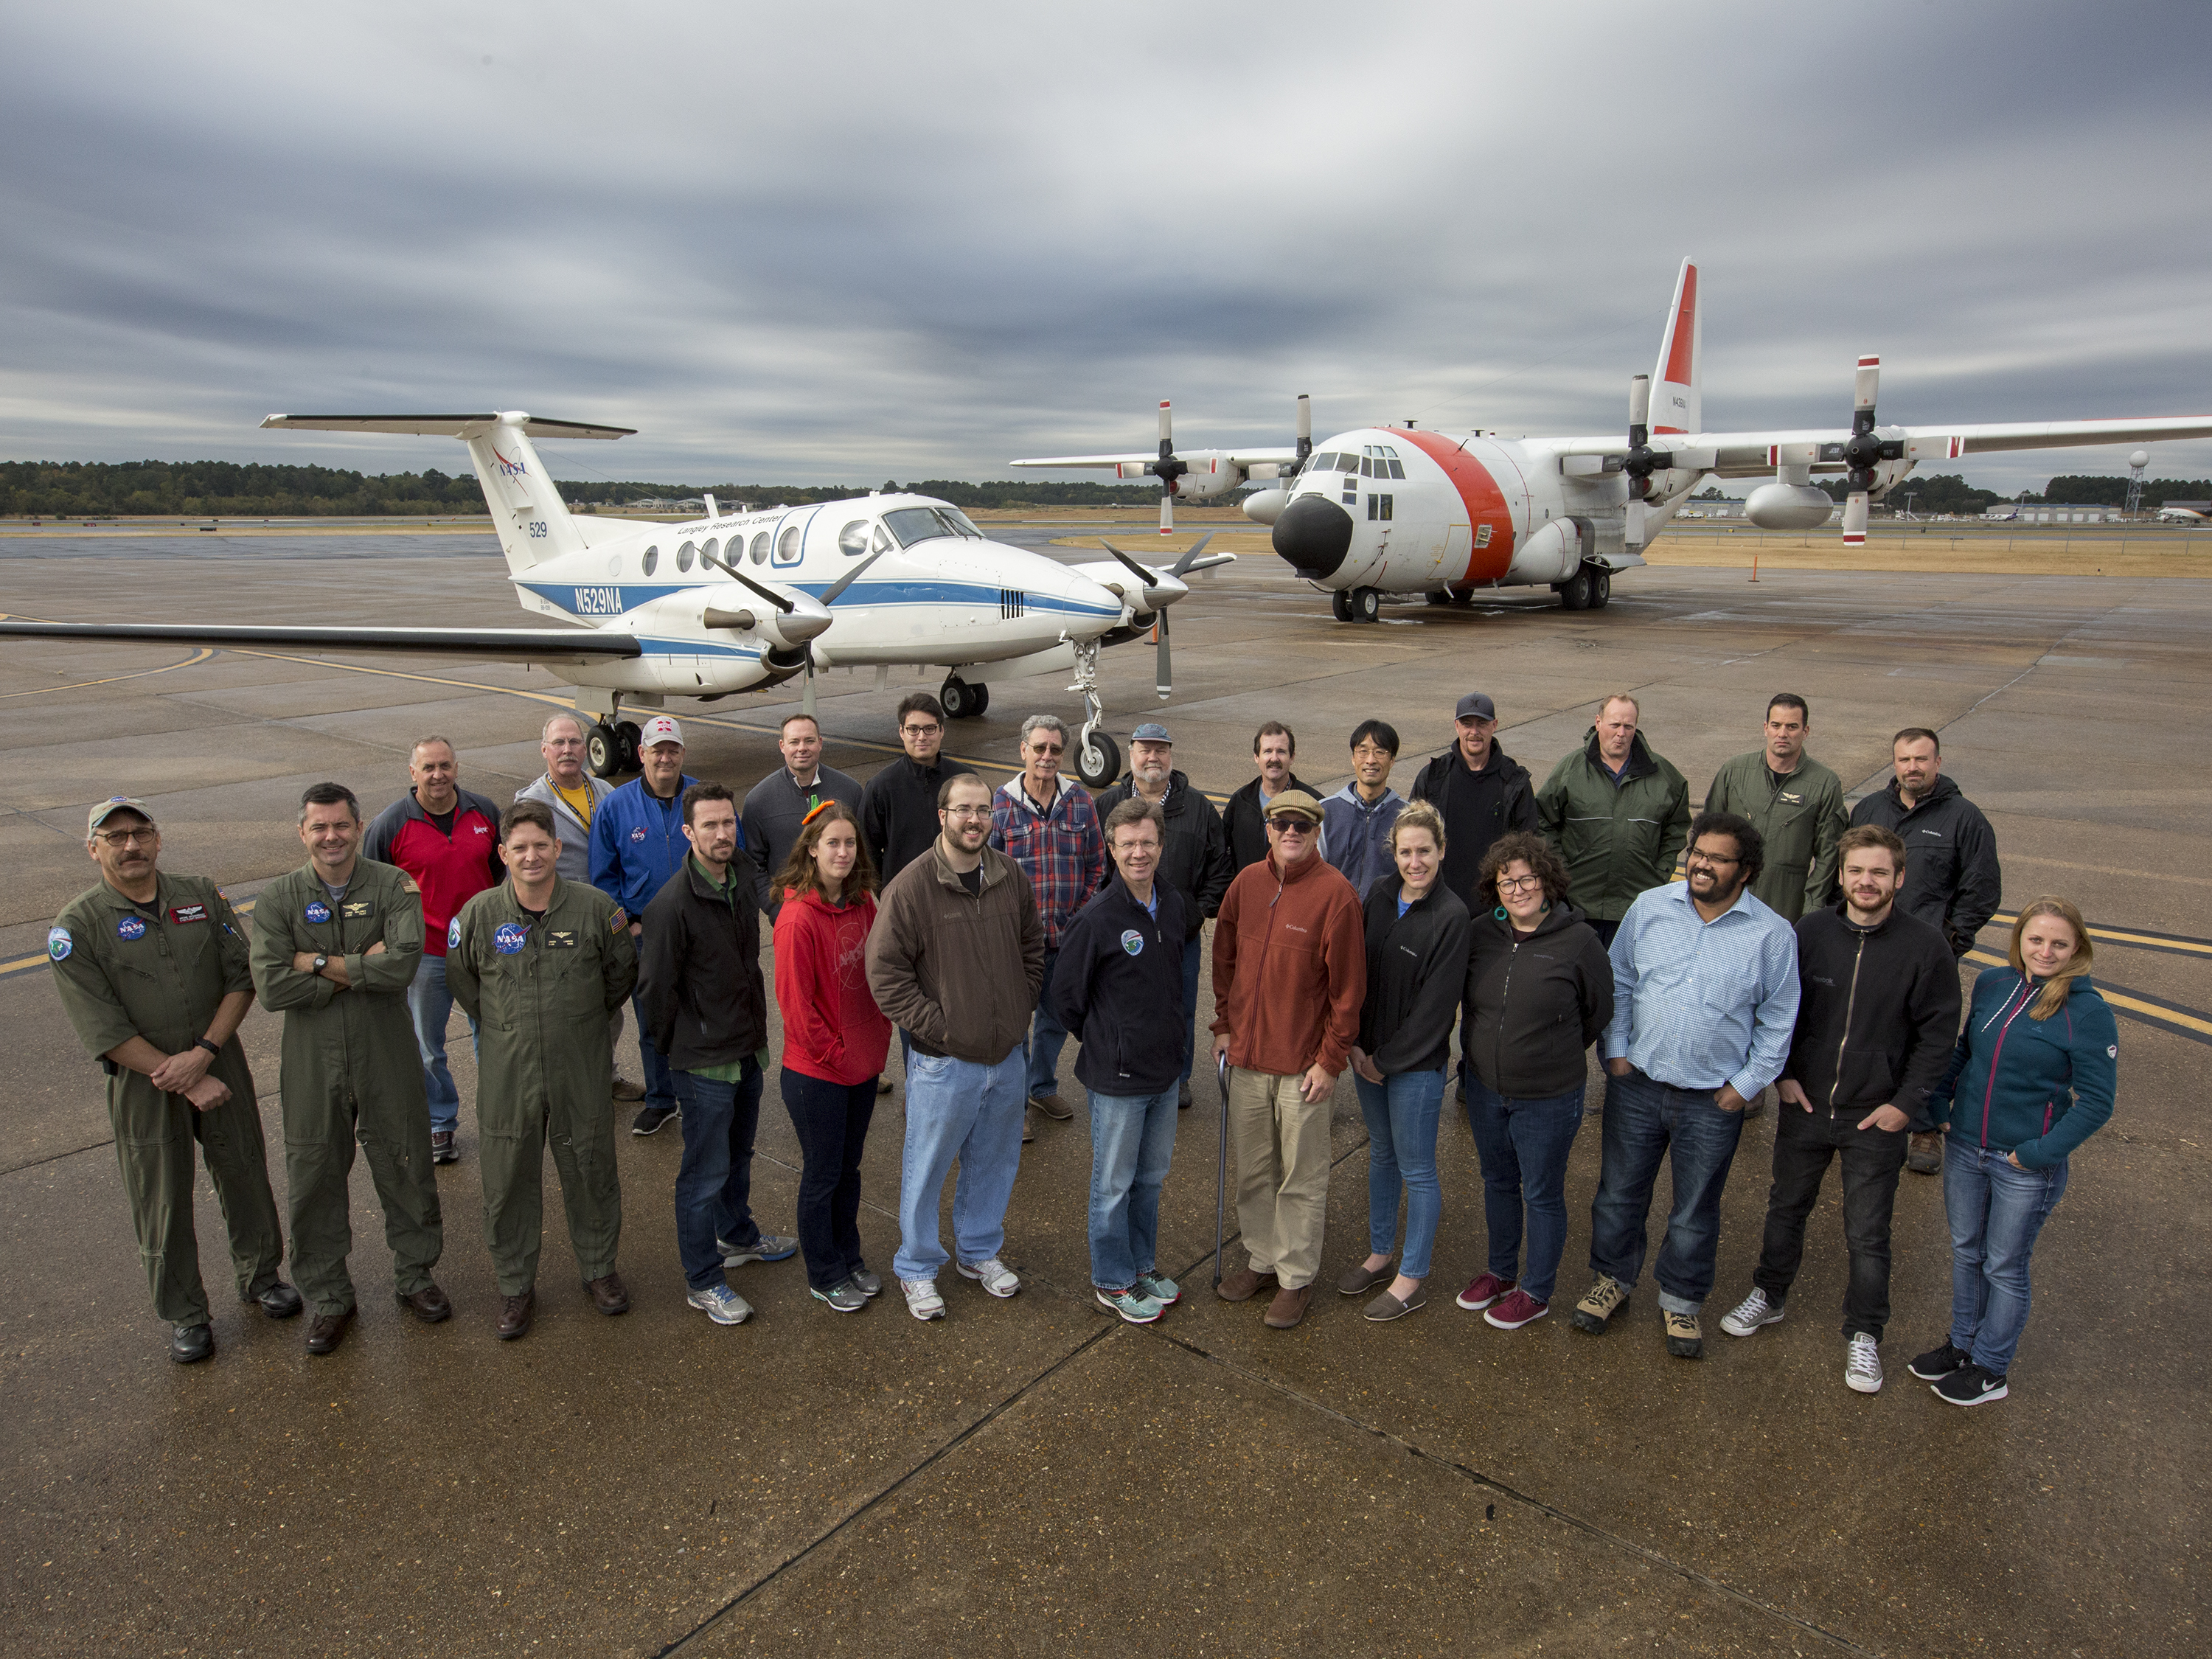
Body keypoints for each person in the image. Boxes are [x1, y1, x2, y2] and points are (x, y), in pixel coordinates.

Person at [49, 796, 297, 1363]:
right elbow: (101, 1026)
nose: (130, 845)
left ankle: (262, 1277)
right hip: (144, 1082)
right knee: (160, 1197)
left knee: (245, 1171)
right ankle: (186, 1313)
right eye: (114, 837)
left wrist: (206, 1052)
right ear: (94, 849)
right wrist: (183, 1075)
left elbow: (242, 976)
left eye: (140, 833)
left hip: (218, 1058)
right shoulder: (77, 927)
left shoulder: (202, 896)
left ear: (158, 839)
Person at [1717, 826, 1962, 1394]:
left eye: (1878, 872)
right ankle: (1770, 1294)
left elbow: (1938, 1038)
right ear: (1842, 875)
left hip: (1875, 1116)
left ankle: (1865, 1333)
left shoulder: (1927, 948)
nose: (1866, 881)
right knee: (1785, 1208)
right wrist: (1784, 1075)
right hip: (1806, 1104)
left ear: (1899, 878)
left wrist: (1906, 1106)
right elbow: (1782, 1011)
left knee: (1868, 1230)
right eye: (1856, 871)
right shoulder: (1810, 932)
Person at [1572, 810, 1799, 1360]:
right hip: (1638, 1084)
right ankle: (1612, 1281)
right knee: (1619, 1194)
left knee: (1695, 1208)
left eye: (1717, 858)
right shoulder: (1651, 908)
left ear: (1745, 871)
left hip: (1712, 1099)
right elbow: (1619, 979)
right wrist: (1617, 1052)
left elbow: (1779, 1018)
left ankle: (1680, 1299)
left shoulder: (1771, 934)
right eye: (1698, 852)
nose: (1701, 863)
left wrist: (1743, 1088)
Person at [251, 782, 448, 1355]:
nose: (331, 837)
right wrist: (365, 963)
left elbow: (403, 966)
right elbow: (270, 985)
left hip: (385, 1046)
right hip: (312, 1056)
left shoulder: (392, 885)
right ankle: (331, 1296)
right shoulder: (279, 898)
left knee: (406, 1160)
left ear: (359, 827)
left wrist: (311, 961)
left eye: (341, 825)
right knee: (313, 1170)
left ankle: (416, 1275)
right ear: (303, 833)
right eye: (319, 827)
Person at [1906, 898, 2116, 1408]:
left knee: (2004, 1266)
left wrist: (2040, 1153)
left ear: (2077, 949)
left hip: (2023, 1166)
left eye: (2059, 943)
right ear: (2020, 940)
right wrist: (1937, 1102)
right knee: (1966, 1252)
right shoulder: (1993, 985)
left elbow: (2097, 1102)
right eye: (2036, 940)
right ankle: (1962, 1345)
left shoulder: (2087, 1013)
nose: (2045, 951)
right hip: (1965, 1148)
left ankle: (1991, 1367)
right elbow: (1965, 1052)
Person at [447, 801, 638, 1340]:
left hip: (580, 1064)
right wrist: (511, 1031)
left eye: (541, 845)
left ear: (558, 848)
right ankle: (515, 1285)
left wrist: (573, 1022)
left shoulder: (597, 910)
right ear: (503, 854)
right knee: (507, 1177)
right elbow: (466, 986)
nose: (532, 856)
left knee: (592, 1168)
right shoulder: (479, 916)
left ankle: (599, 1270)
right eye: (519, 848)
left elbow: (619, 974)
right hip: (509, 1070)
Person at [868, 772, 1046, 1321]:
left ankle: (978, 1252)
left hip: (1007, 1057)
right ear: (942, 817)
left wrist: (1020, 1006)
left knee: (995, 1162)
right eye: (964, 810)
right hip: (944, 1063)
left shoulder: (1009, 876)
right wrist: (941, 1027)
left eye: (984, 810)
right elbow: (885, 974)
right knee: (927, 1167)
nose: (975, 820)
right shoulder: (912, 886)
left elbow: (1032, 946)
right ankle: (918, 1267)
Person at [639, 782, 797, 1327]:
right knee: (702, 1175)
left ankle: (738, 1236)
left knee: (738, 1157)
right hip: (703, 1062)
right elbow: (655, 995)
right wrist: (681, 1050)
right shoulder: (671, 905)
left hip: (747, 1049)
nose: (722, 833)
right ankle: (702, 1279)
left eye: (728, 823)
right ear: (688, 832)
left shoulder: (740, 881)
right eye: (709, 825)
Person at [1210, 789, 1366, 1331]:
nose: (1291, 832)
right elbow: (1224, 955)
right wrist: (1223, 1024)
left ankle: (1295, 1277)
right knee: (1254, 1172)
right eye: (1282, 823)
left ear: (1317, 831)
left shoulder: (1337, 895)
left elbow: (1348, 993)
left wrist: (1330, 1061)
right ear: (1269, 829)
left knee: (1301, 1177)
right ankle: (1261, 1259)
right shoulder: (1247, 883)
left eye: (1303, 824)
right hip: (1249, 1061)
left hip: (1303, 1068)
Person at [1456, 830, 1614, 1333]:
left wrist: (1548, 1055)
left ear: (1548, 882)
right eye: (1507, 882)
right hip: (1484, 1088)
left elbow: (1598, 1012)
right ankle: (1502, 1273)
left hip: (1548, 1097)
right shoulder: (1482, 933)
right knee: (1497, 1181)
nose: (1518, 890)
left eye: (1527, 879)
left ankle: (1536, 1290)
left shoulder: (1579, 941)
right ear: (1493, 889)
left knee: (1542, 1193)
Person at [1049, 798, 1189, 1324]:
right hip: (1118, 1079)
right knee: (1113, 1185)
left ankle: (1141, 1265)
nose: (1139, 852)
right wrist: (1110, 1040)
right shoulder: (1097, 919)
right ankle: (1112, 1279)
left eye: (1147, 842)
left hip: (1165, 1072)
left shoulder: (1172, 904)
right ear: (1110, 848)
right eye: (1127, 843)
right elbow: (1065, 997)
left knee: (1149, 1180)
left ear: (1160, 845)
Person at [1338, 802, 1470, 1322]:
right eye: (1406, 852)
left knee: (1417, 1168)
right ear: (1393, 853)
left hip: (1412, 1066)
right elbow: (1356, 972)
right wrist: (1353, 1045)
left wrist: (1385, 1061)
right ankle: (1379, 1252)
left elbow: (1437, 1009)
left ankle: (1411, 1275)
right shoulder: (1378, 895)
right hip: (1364, 1055)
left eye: (1425, 851)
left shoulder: (1452, 916)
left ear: (1441, 851)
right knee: (1382, 1157)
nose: (1415, 862)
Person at [1849, 727, 2003, 1175]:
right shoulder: (1869, 809)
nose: (1911, 767)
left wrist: (1948, 941)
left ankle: (1925, 1126)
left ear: (1938, 762)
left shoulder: (1965, 818)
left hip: (1926, 954)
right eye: (1903, 760)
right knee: (1867, 1027)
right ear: (1893, 763)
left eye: (1921, 759)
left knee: (1927, 1038)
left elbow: (1982, 890)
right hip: (1868, 944)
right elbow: (1848, 870)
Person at [771, 801, 893, 1312]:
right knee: (822, 1175)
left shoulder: (865, 902)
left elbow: (882, 970)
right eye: (833, 844)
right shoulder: (797, 918)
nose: (843, 852)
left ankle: (850, 1255)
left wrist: (874, 1040)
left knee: (850, 1170)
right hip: (816, 1073)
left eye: (850, 843)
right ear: (813, 850)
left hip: (860, 1066)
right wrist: (838, 1054)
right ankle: (824, 1271)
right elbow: (797, 1009)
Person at [362, 736, 503, 1166]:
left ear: (457, 768)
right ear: (413, 774)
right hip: (427, 955)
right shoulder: (390, 825)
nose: (438, 775)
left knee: (495, 1038)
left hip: (483, 952)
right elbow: (374, 886)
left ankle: (500, 1118)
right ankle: (440, 1123)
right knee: (428, 1046)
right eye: (428, 768)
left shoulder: (485, 813)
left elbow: (501, 874)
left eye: (444, 765)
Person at [1091, 721, 1233, 1110]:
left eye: (1161, 750)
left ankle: (1179, 1076)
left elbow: (1220, 865)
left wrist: (1197, 910)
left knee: (1181, 1007)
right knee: (1126, 1005)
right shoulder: (1108, 805)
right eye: (1145, 750)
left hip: (1178, 936)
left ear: (1170, 756)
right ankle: (1129, 1068)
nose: (1153, 757)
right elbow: (1096, 866)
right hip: (1123, 935)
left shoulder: (1200, 807)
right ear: (1132, 754)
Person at [515, 710, 643, 1103]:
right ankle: (558, 1088)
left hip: (605, 914)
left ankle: (606, 1075)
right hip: (559, 916)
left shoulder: (604, 791)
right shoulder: (530, 802)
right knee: (562, 1007)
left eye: (574, 742)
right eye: (559, 743)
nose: (568, 750)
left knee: (609, 1002)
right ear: (545, 751)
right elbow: (521, 867)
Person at [590, 714, 707, 1137]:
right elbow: (603, 878)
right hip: (646, 935)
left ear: (682, 752)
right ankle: (661, 1099)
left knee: (701, 1013)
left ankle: (701, 1094)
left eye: (672, 748)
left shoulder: (703, 797)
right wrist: (629, 925)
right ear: (641, 754)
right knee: (653, 1019)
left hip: (699, 930)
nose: (665, 757)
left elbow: (733, 854)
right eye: (656, 749)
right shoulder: (616, 806)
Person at [989, 714, 1106, 1133]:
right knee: (1017, 1029)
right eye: (1039, 748)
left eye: (1055, 749)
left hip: (1065, 940)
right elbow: (987, 869)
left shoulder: (1081, 802)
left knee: (1055, 1021)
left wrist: (1080, 917)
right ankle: (1014, 1108)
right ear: (1023, 750)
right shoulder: (1000, 804)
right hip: (1017, 944)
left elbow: (1097, 865)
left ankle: (1041, 1087)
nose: (1047, 756)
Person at [1535, 693, 1691, 948]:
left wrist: (1661, 871)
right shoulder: (1570, 770)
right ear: (1598, 723)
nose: (1621, 733)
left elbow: (1677, 827)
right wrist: (1561, 869)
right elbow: (1542, 820)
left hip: (1637, 903)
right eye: (1614, 725)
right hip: (1580, 904)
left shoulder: (1664, 775)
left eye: (1628, 726)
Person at [1703, 693, 1847, 925]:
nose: (1783, 734)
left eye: (1792, 727)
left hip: (1785, 906)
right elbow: (1706, 835)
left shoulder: (1825, 784)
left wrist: (1811, 909)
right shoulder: (1735, 771)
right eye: (1776, 725)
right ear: (1765, 728)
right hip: (1728, 899)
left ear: (1805, 731)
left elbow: (1829, 855)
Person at [1409, 692, 1538, 914]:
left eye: (1482, 724)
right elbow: (1411, 838)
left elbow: (1528, 848)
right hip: (1440, 908)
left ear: (1495, 725)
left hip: (1495, 911)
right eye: (1467, 724)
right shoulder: (1433, 777)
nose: (1474, 732)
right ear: (1456, 725)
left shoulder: (1515, 782)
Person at [742, 712, 863, 915]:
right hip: (791, 917)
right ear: (782, 746)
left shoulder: (850, 791)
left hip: (844, 912)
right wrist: (777, 909)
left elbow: (863, 851)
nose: (802, 748)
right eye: (794, 742)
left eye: (809, 741)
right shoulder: (758, 800)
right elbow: (752, 866)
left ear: (820, 743)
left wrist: (855, 899)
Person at [860, 692, 976, 885]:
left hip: (959, 891)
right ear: (901, 732)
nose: (921, 737)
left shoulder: (965, 780)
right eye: (913, 729)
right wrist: (889, 889)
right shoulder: (881, 787)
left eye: (930, 729)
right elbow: (866, 850)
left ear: (942, 731)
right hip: (904, 899)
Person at [1322, 719, 1407, 898]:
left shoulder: (1406, 817)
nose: (1371, 760)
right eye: (1363, 752)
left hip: (1385, 919)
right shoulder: (1325, 812)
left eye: (1380, 752)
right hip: (1337, 915)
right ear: (1353, 758)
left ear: (1392, 760)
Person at [1222, 721, 1320, 874]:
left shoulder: (1313, 803)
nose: (1274, 758)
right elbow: (1221, 854)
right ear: (1256, 757)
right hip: (1249, 893)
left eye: (1281, 751)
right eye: (1267, 751)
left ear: (1292, 757)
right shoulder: (1240, 801)